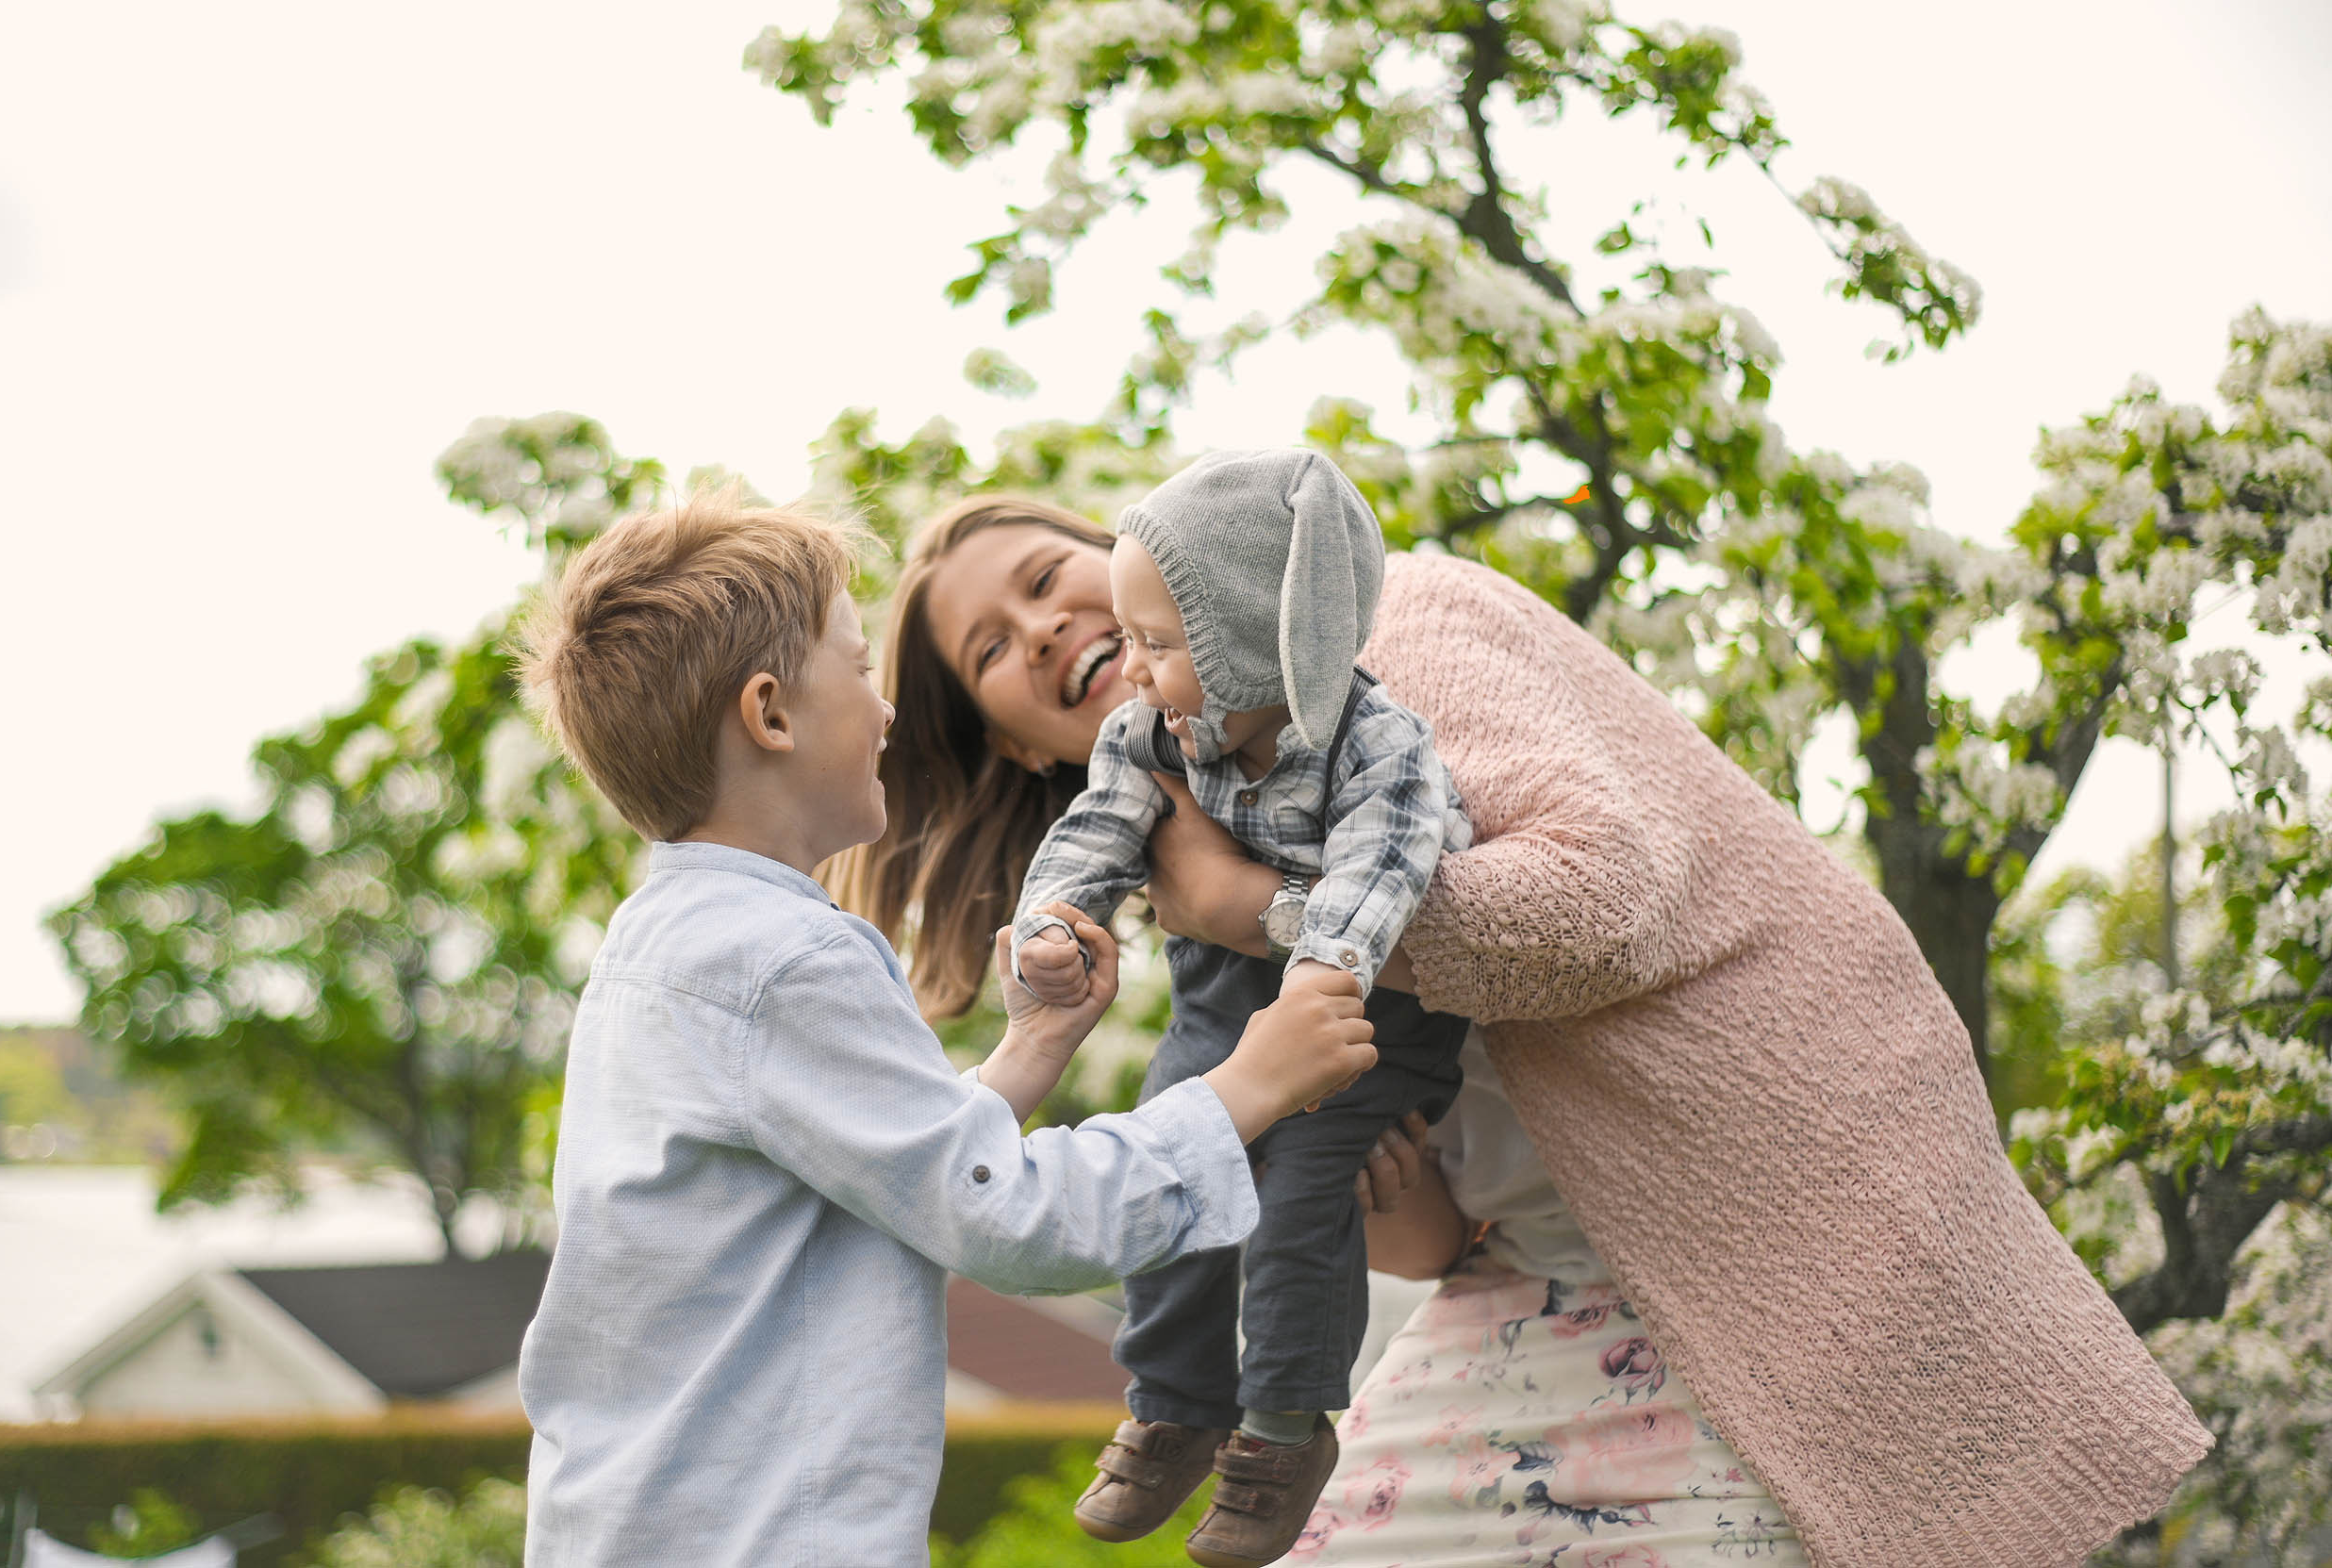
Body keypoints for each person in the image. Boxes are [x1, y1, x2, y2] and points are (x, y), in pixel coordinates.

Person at [835, 491, 2213, 1568]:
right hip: (1553, 1270)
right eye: (992, 653)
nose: (1040, 633)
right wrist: (1410, 1210)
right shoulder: (1175, 826)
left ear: (1137, 559)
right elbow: (1437, 1185)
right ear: (1018, 744)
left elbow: (1598, 903)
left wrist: (1251, 905)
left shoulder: (1385, 625)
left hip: (1769, 1223)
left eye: (1041, 578)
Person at [509, 490, 1380, 1568]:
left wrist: (1028, 1051)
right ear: (772, 714)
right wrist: (1250, 1083)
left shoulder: (669, 947)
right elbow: (998, 1217)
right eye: (859, 668)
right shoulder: (782, 960)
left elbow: (878, 1167)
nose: (884, 714)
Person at [1006, 450, 1472, 1568]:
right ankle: (1173, 1399)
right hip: (1222, 1006)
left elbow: (1383, 868)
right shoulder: (1146, 731)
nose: (1132, 668)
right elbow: (1098, 830)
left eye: (1160, 646)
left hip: (1360, 1019)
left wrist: (1316, 972)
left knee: (1302, 1195)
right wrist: (1059, 918)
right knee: (1169, 1158)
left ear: (1258, 643)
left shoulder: (1381, 743)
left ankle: (1281, 1426)